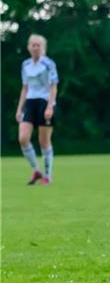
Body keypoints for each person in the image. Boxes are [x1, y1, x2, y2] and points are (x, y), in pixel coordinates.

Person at [15, 34, 58, 185]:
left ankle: (47, 175)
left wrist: (50, 106)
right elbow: (25, 88)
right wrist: (19, 109)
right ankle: (36, 170)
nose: (35, 48)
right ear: (28, 47)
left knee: (44, 142)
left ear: (43, 48)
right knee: (23, 138)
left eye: (38, 45)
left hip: (44, 102)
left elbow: (53, 86)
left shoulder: (48, 64)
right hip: (30, 103)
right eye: (32, 45)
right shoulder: (25, 65)